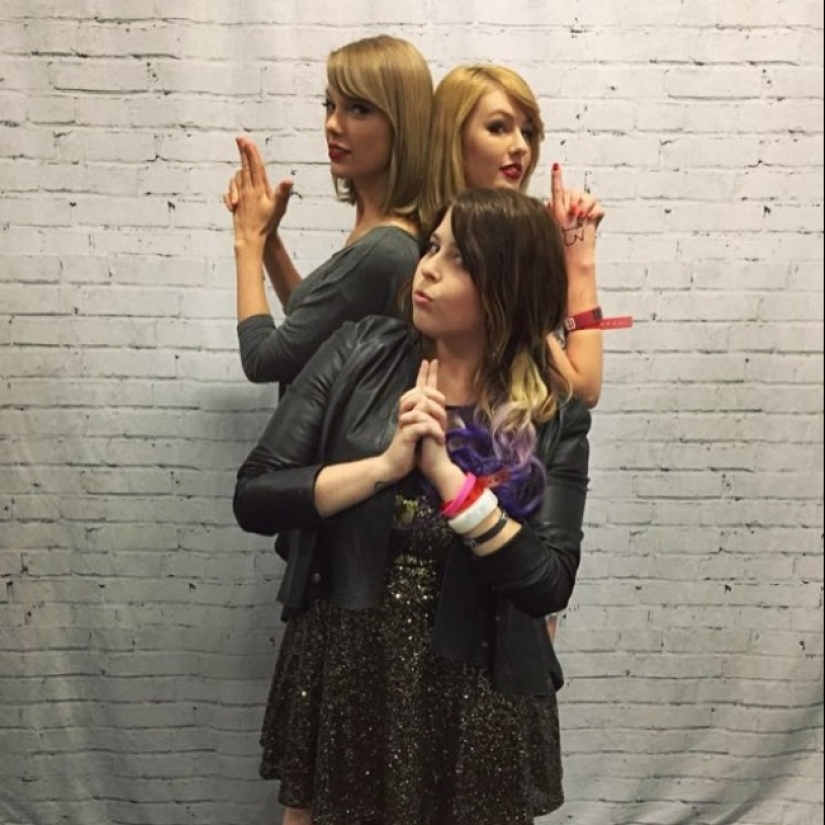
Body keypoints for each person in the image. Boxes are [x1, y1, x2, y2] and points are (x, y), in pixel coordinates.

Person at [234, 187, 591, 825]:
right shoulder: (358, 351)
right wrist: (383, 468)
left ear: (506, 287)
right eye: (433, 247)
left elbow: (547, 582)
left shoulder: (552, 415)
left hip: (478, 694)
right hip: (347, 669)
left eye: (458, 261)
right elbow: (257, 496)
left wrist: (450, 482)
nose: (426, 268)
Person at [225, 35, 433, 385]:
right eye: (330, 105)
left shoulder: (382, 251)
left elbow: (263, 361)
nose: (333, 124)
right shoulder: (377, 234)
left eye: (358, 109)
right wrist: (270, 238)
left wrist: (248, 243)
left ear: (403, 123)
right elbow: (311, 317)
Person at [423, 63, 628, 411]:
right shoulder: (427, 257)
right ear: (452, 138)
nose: (520, 146)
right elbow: (582, 388)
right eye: (498, 128)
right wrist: (578, 260)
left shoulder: (510, 246)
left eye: (528, 132)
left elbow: (580, 392)